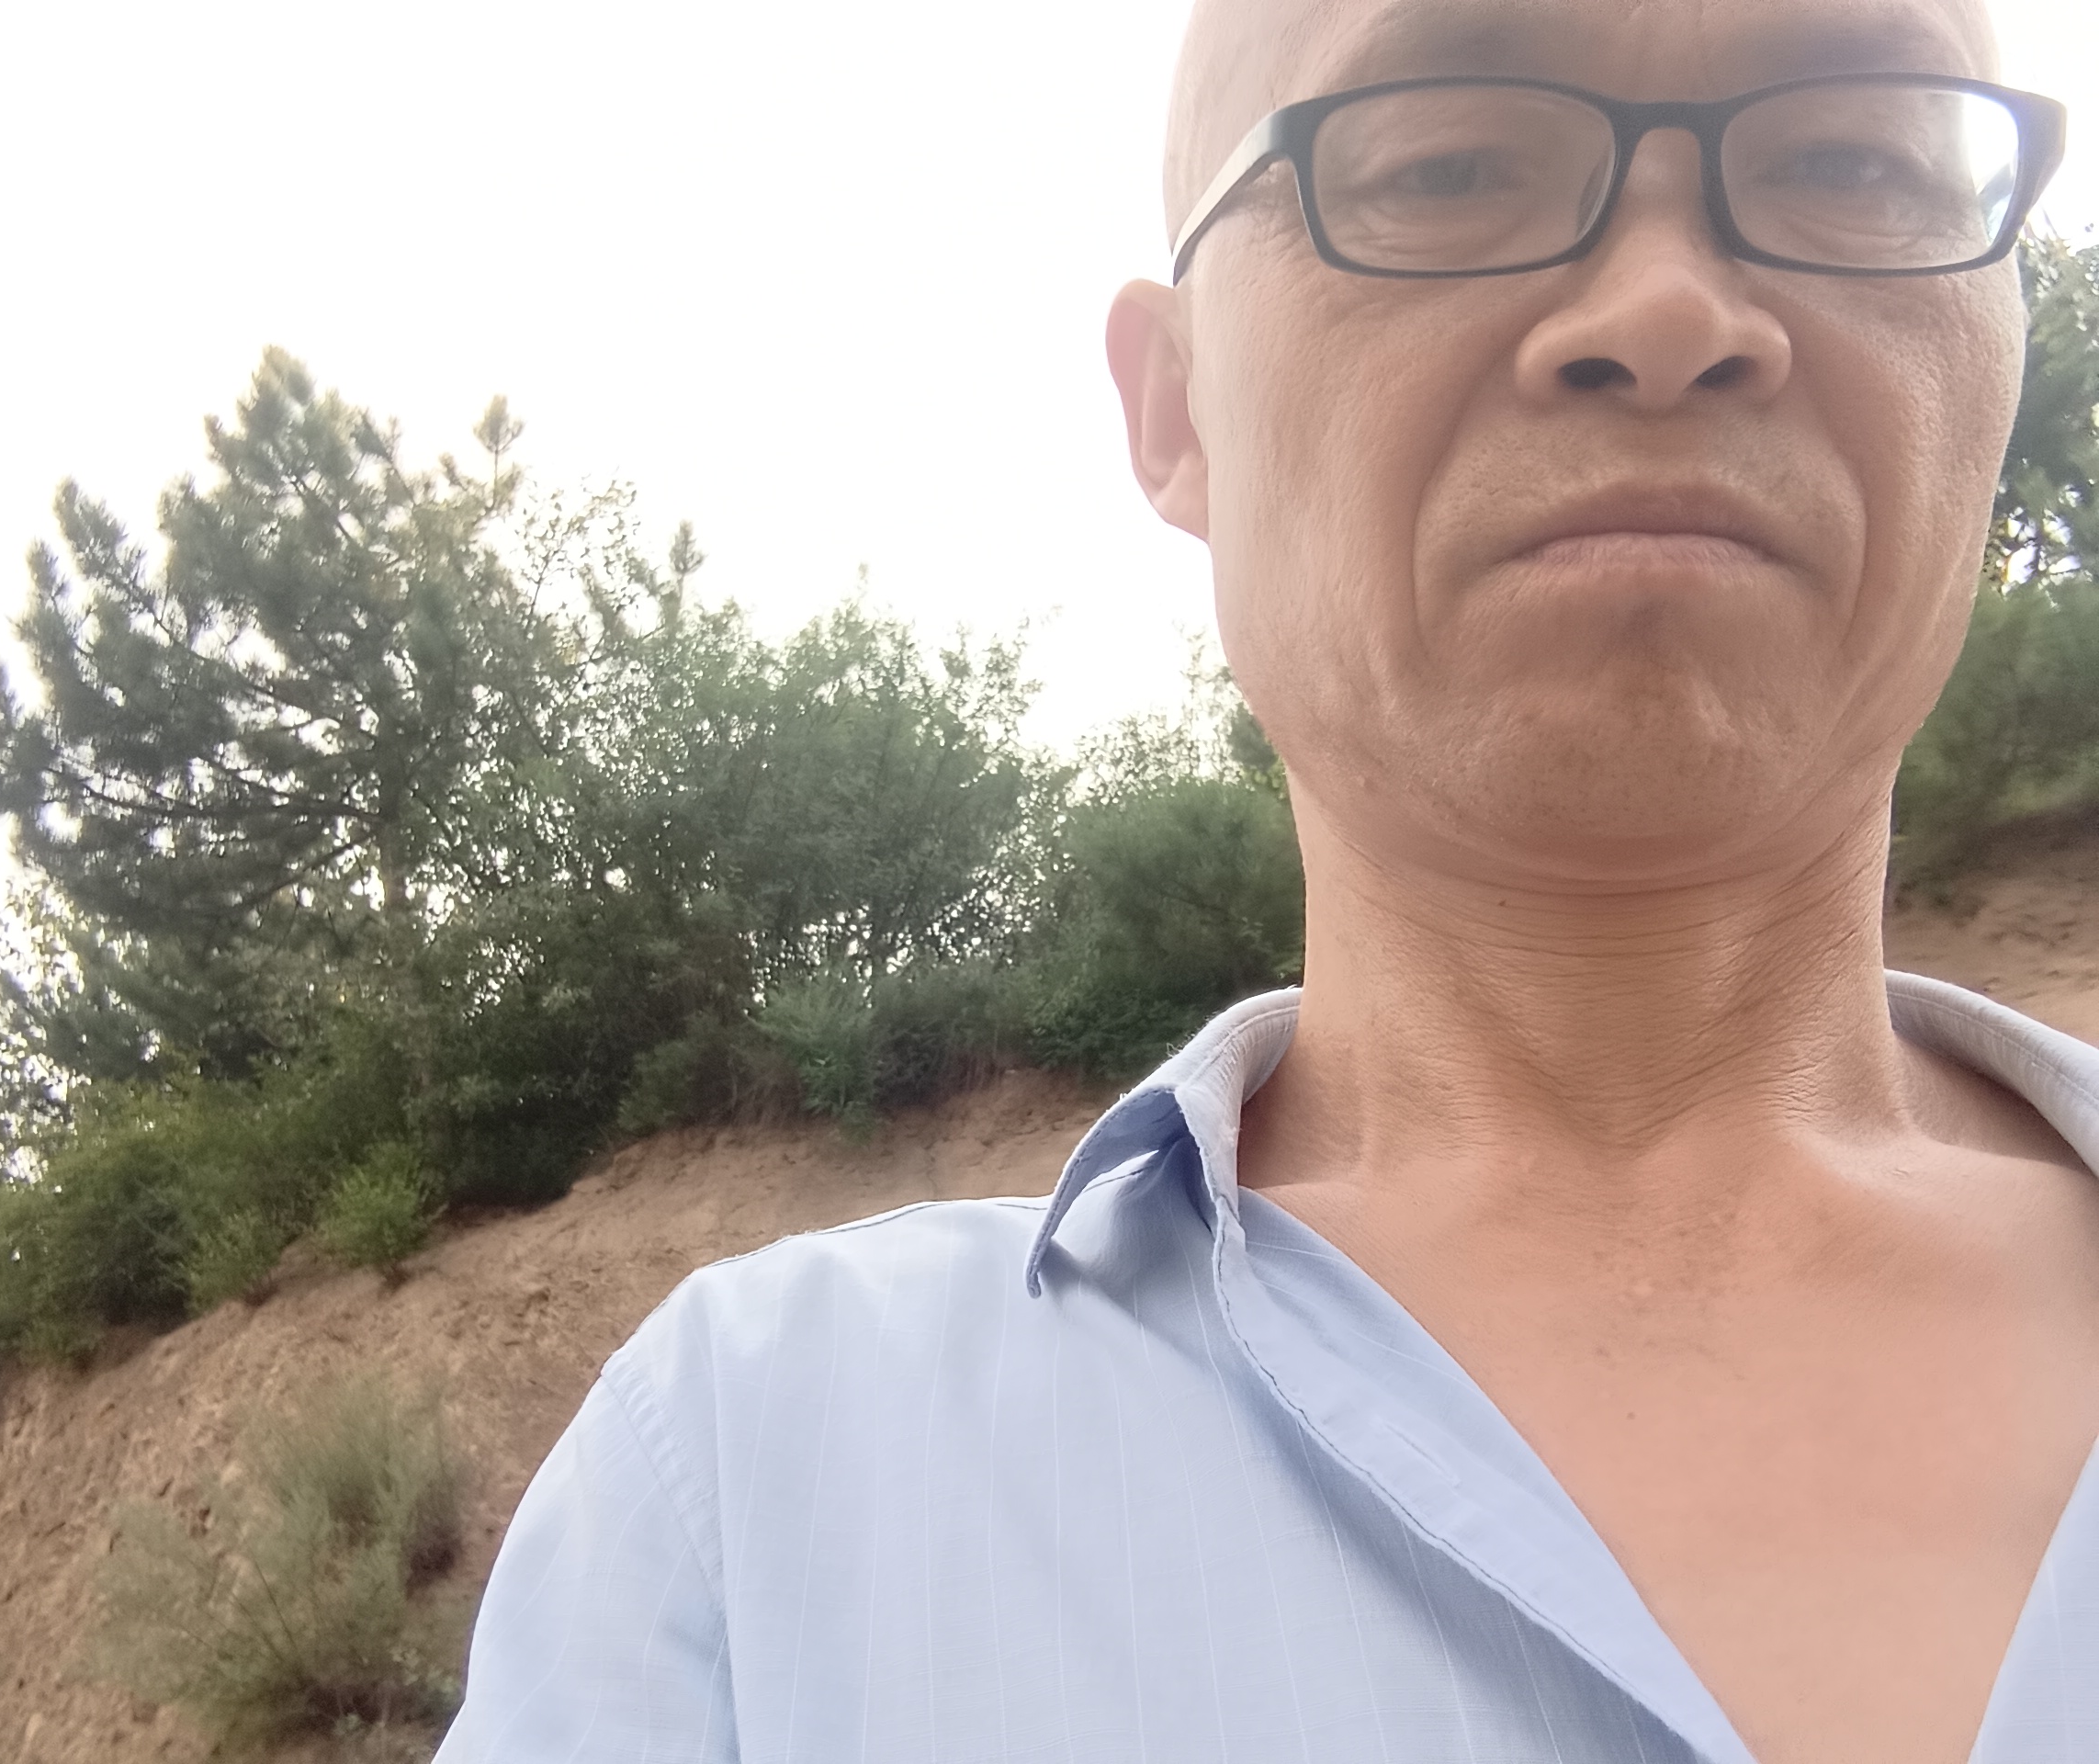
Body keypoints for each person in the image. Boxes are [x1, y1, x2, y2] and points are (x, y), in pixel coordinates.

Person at [434, 1, 2097, 1758]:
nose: (1670, 312)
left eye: (1852, 160)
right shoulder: (751, 1476)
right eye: (1449, 166)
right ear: (1177, 411)